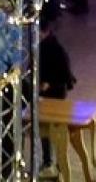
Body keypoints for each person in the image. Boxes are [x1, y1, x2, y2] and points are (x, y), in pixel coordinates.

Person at [37, 28, 77, 172]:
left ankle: (52, 160)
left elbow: (63, 72)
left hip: (53, 93)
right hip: (52, 93)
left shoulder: (52, 48)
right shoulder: (51, 46)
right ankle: (53, 160)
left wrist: (49, 83)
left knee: (50, 128)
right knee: (49, 128)